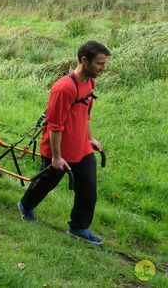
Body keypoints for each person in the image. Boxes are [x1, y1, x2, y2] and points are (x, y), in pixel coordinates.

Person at [18, 40, 110, 245]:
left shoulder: (90, 82)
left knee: (88, 190)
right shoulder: (64, 88)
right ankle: (25, 205)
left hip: (81, 147)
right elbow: (55, 126)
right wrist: (57, 157)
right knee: (46, 184)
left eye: (104, 64)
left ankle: (79, 227)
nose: (104, 68)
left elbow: (85, 114)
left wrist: (90, 138)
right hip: (57, 150)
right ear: (84, 61)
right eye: (100, 64)